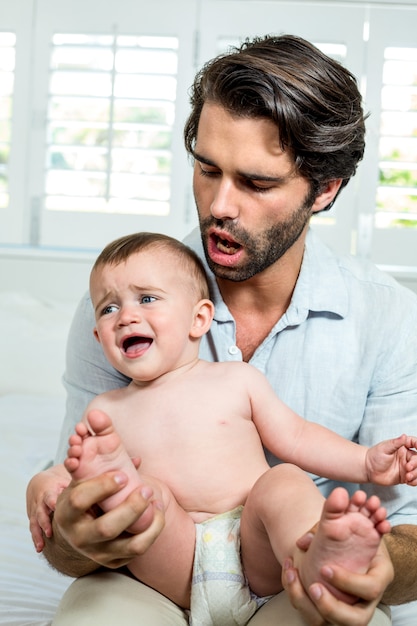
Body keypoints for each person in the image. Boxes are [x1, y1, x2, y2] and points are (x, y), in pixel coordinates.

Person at [26, 34, 417, 626]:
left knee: (288, 488)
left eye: (256, 183)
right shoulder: (120, 305)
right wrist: (75, 529)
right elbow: (69, 521)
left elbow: (408, 526)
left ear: (326, 190)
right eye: (207, 169)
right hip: (156, 573)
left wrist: (366, 564)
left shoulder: (388, 316)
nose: (219, 205)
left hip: (285, 570)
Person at [60, 231, 417, 625]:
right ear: (98, 337)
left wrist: (366, 463)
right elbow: (74, 486)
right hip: (172, 563)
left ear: (199, 318)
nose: (125, 316)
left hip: (255, 553)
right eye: (108, 309)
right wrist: (48, 487)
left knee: (282, 481)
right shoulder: (105, 410)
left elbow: (297, 437)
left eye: (146, 299)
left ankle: (316, 553)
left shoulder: (236, 380)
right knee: (143, 495)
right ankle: (131, 488)